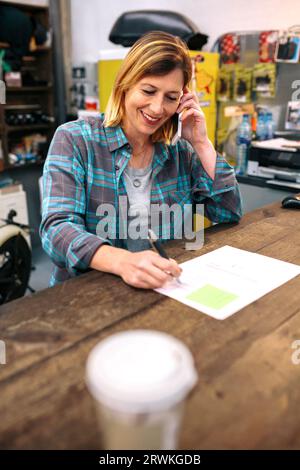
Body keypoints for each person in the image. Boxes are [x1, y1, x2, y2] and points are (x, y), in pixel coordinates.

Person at [40, 31, 242, 289]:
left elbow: (229, 212)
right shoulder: (76, 139)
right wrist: (121, 262)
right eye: (148, 91)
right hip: (88, 296)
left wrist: (201, 142)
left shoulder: (180, 151)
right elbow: (56, 229)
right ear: (125, 84)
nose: (157, 108)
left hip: (163, 290)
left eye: (171, 97)